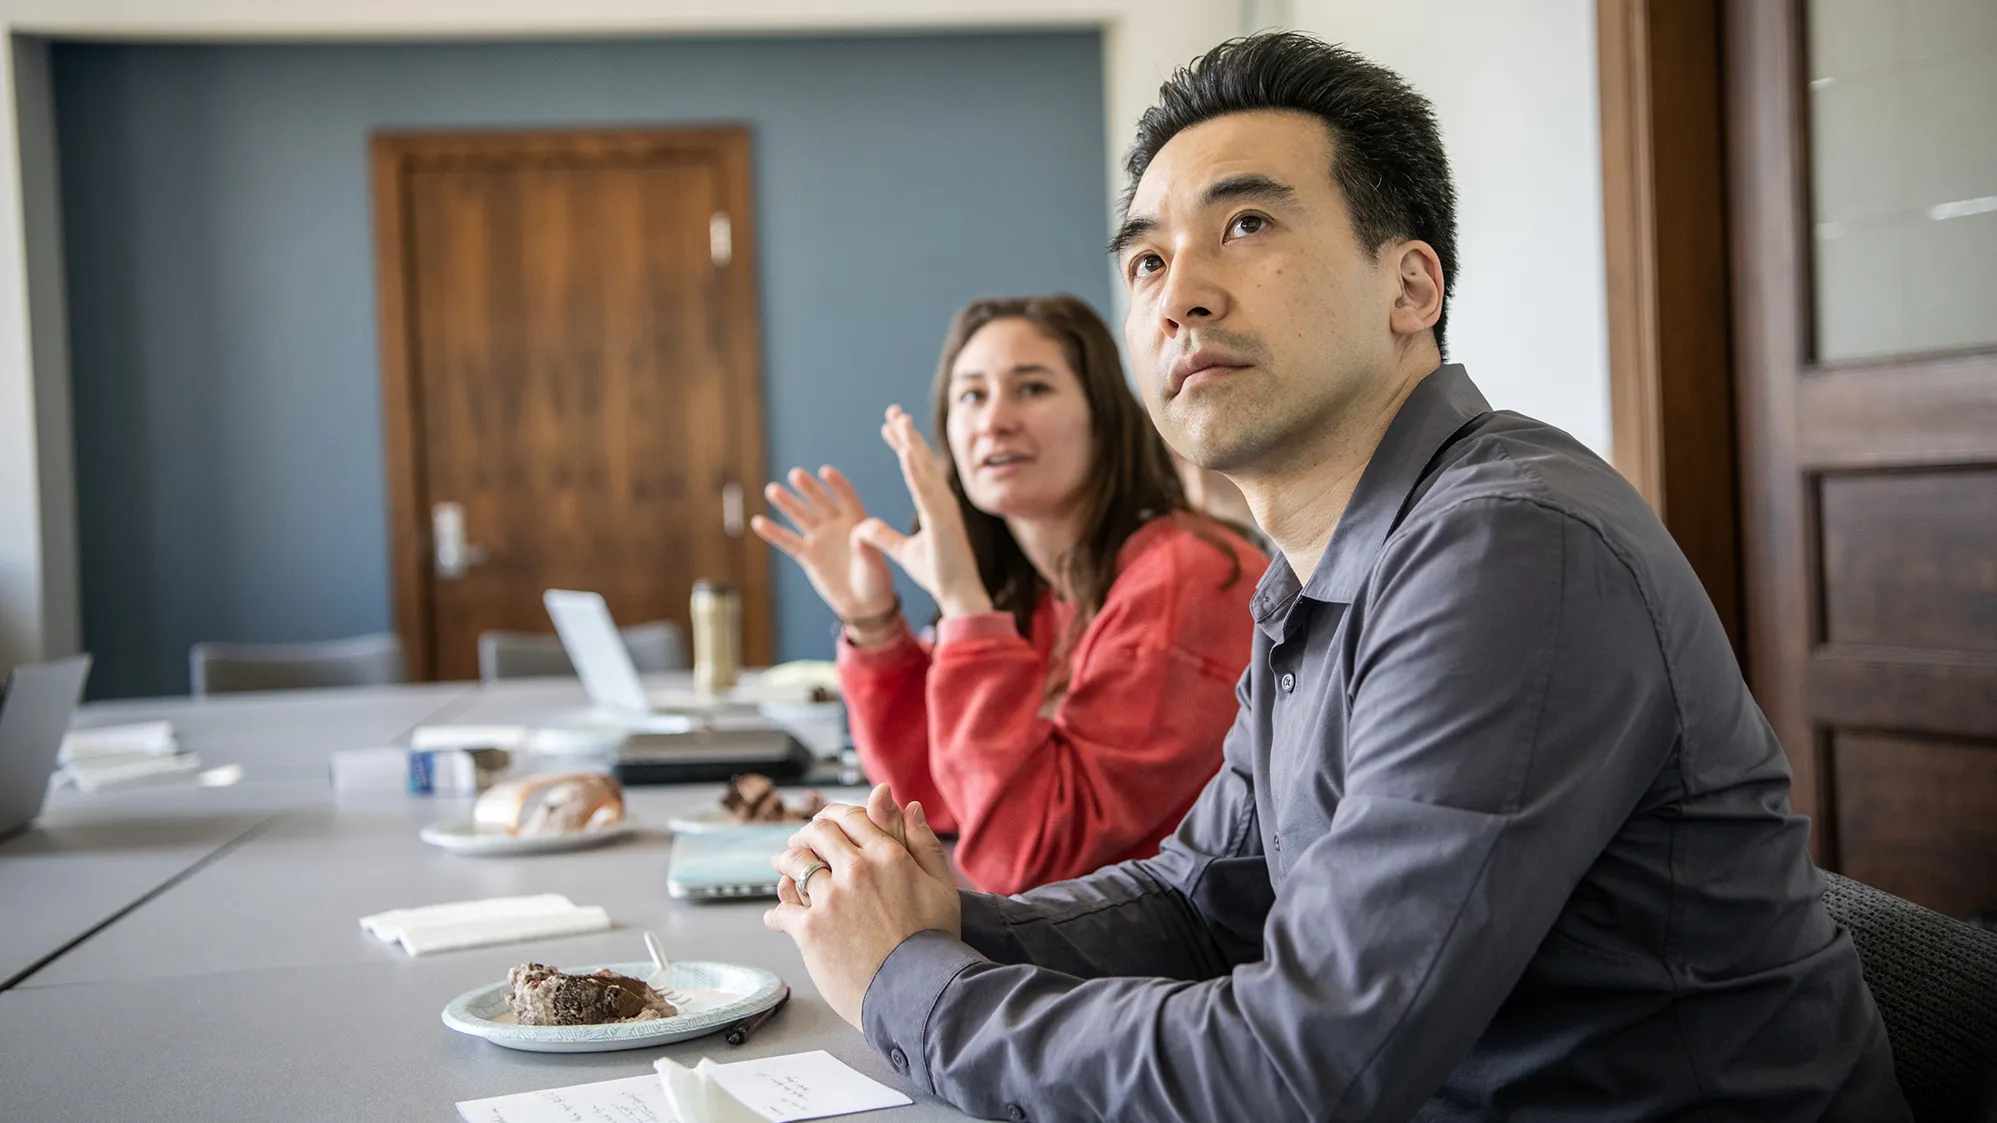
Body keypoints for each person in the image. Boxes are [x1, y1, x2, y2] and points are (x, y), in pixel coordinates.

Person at [758, 32, 1909, 1123]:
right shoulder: (1320, 568)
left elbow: (1307, 1068)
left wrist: (915, 985)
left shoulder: (1506, 548)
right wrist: (941, 920)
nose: (1178, 295)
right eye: (1148, 259)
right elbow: (1202, 899)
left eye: (1245, 223)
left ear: (1411, 289)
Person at [750, 294, 1265, 895]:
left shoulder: (1187, 577)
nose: (994, 420)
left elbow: (1034, 858)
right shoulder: (1044, 588)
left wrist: (967, 607)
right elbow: (936, 798)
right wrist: (874, 625)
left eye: (1033, 388)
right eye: (971, 395)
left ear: (1105, 417)